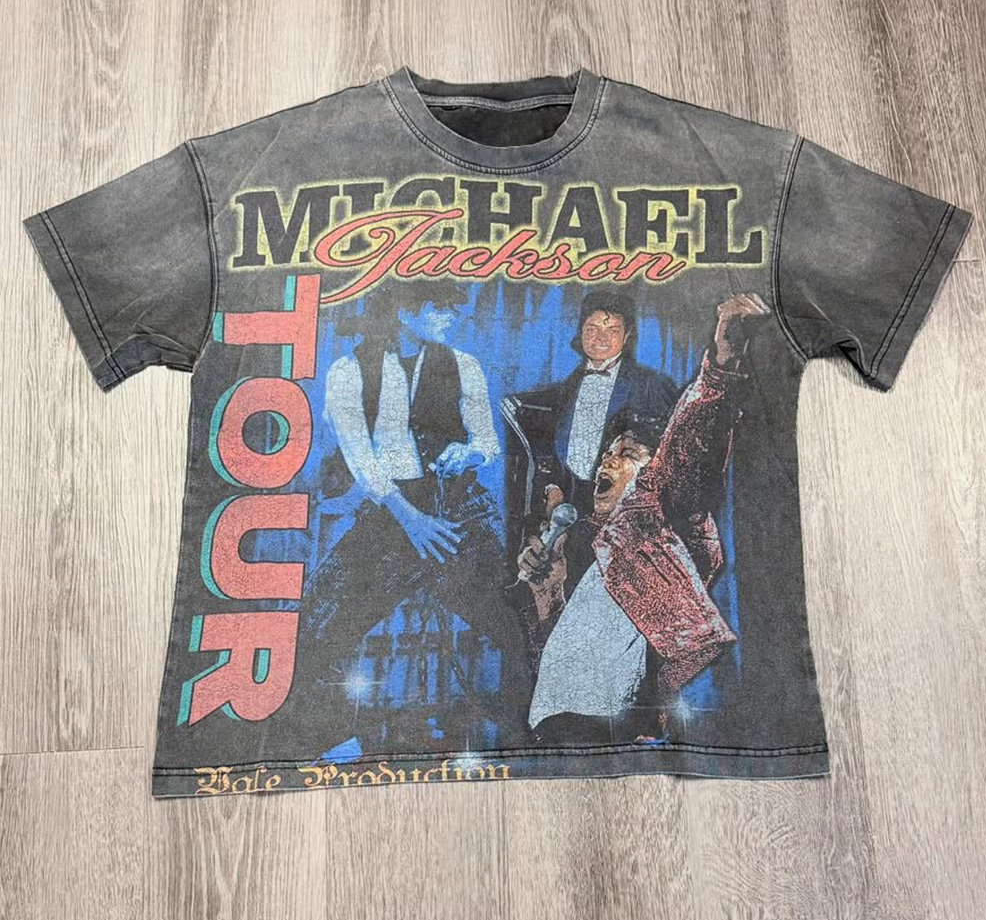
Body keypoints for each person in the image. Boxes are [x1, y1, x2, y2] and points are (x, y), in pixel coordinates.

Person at [516, 292, 769, 744]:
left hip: (616, 727)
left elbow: (688, 443)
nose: (607, 461)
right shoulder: (588, 544)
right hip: (554, 729)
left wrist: (721, 364)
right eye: (607, 454)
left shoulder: (657, 522)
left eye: (626, 453)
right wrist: (546, 591)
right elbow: (561, 648)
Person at [298, 280, 533, 749]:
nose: (452, 317)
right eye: (439, 307)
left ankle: (526, 735)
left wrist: (467, 454)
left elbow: (486, 442)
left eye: (453, 308)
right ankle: (325, 738)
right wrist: (410, 520)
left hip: (456, 512)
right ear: (404, 311)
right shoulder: (348, 371)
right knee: (316, 625)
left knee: (519, 623)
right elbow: (361, 459)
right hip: (389, 514)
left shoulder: (464, 365)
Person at [503, 289, 678, 538]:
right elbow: (551, 452)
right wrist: (552, 489)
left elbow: (668, 459)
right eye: (592, 328)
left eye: (612, 330)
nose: (600, 338)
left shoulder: (653, 385)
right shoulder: (564, 390)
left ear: (627, 336)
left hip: (623, 518)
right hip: (569, 514)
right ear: (581, 332)